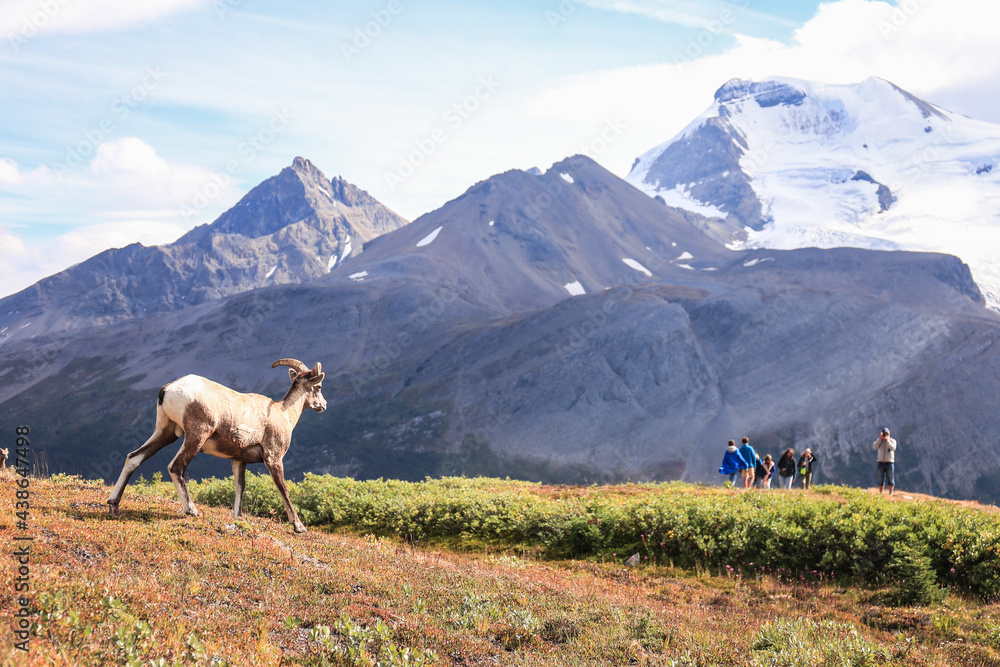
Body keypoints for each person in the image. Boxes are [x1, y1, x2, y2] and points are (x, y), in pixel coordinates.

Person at [873, 427, 897, 494]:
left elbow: (893, 448)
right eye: (884, 433)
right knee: (880, 478)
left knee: (890, 478)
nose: (885, 435)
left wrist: (887, 441)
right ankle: (881, 492)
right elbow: (875, 446)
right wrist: (879, 439)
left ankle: (891, 492)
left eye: (886, 433)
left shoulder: (893, 441)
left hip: (889, 462)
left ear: (889, 434)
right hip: (881, 462)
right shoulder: (880, 441)